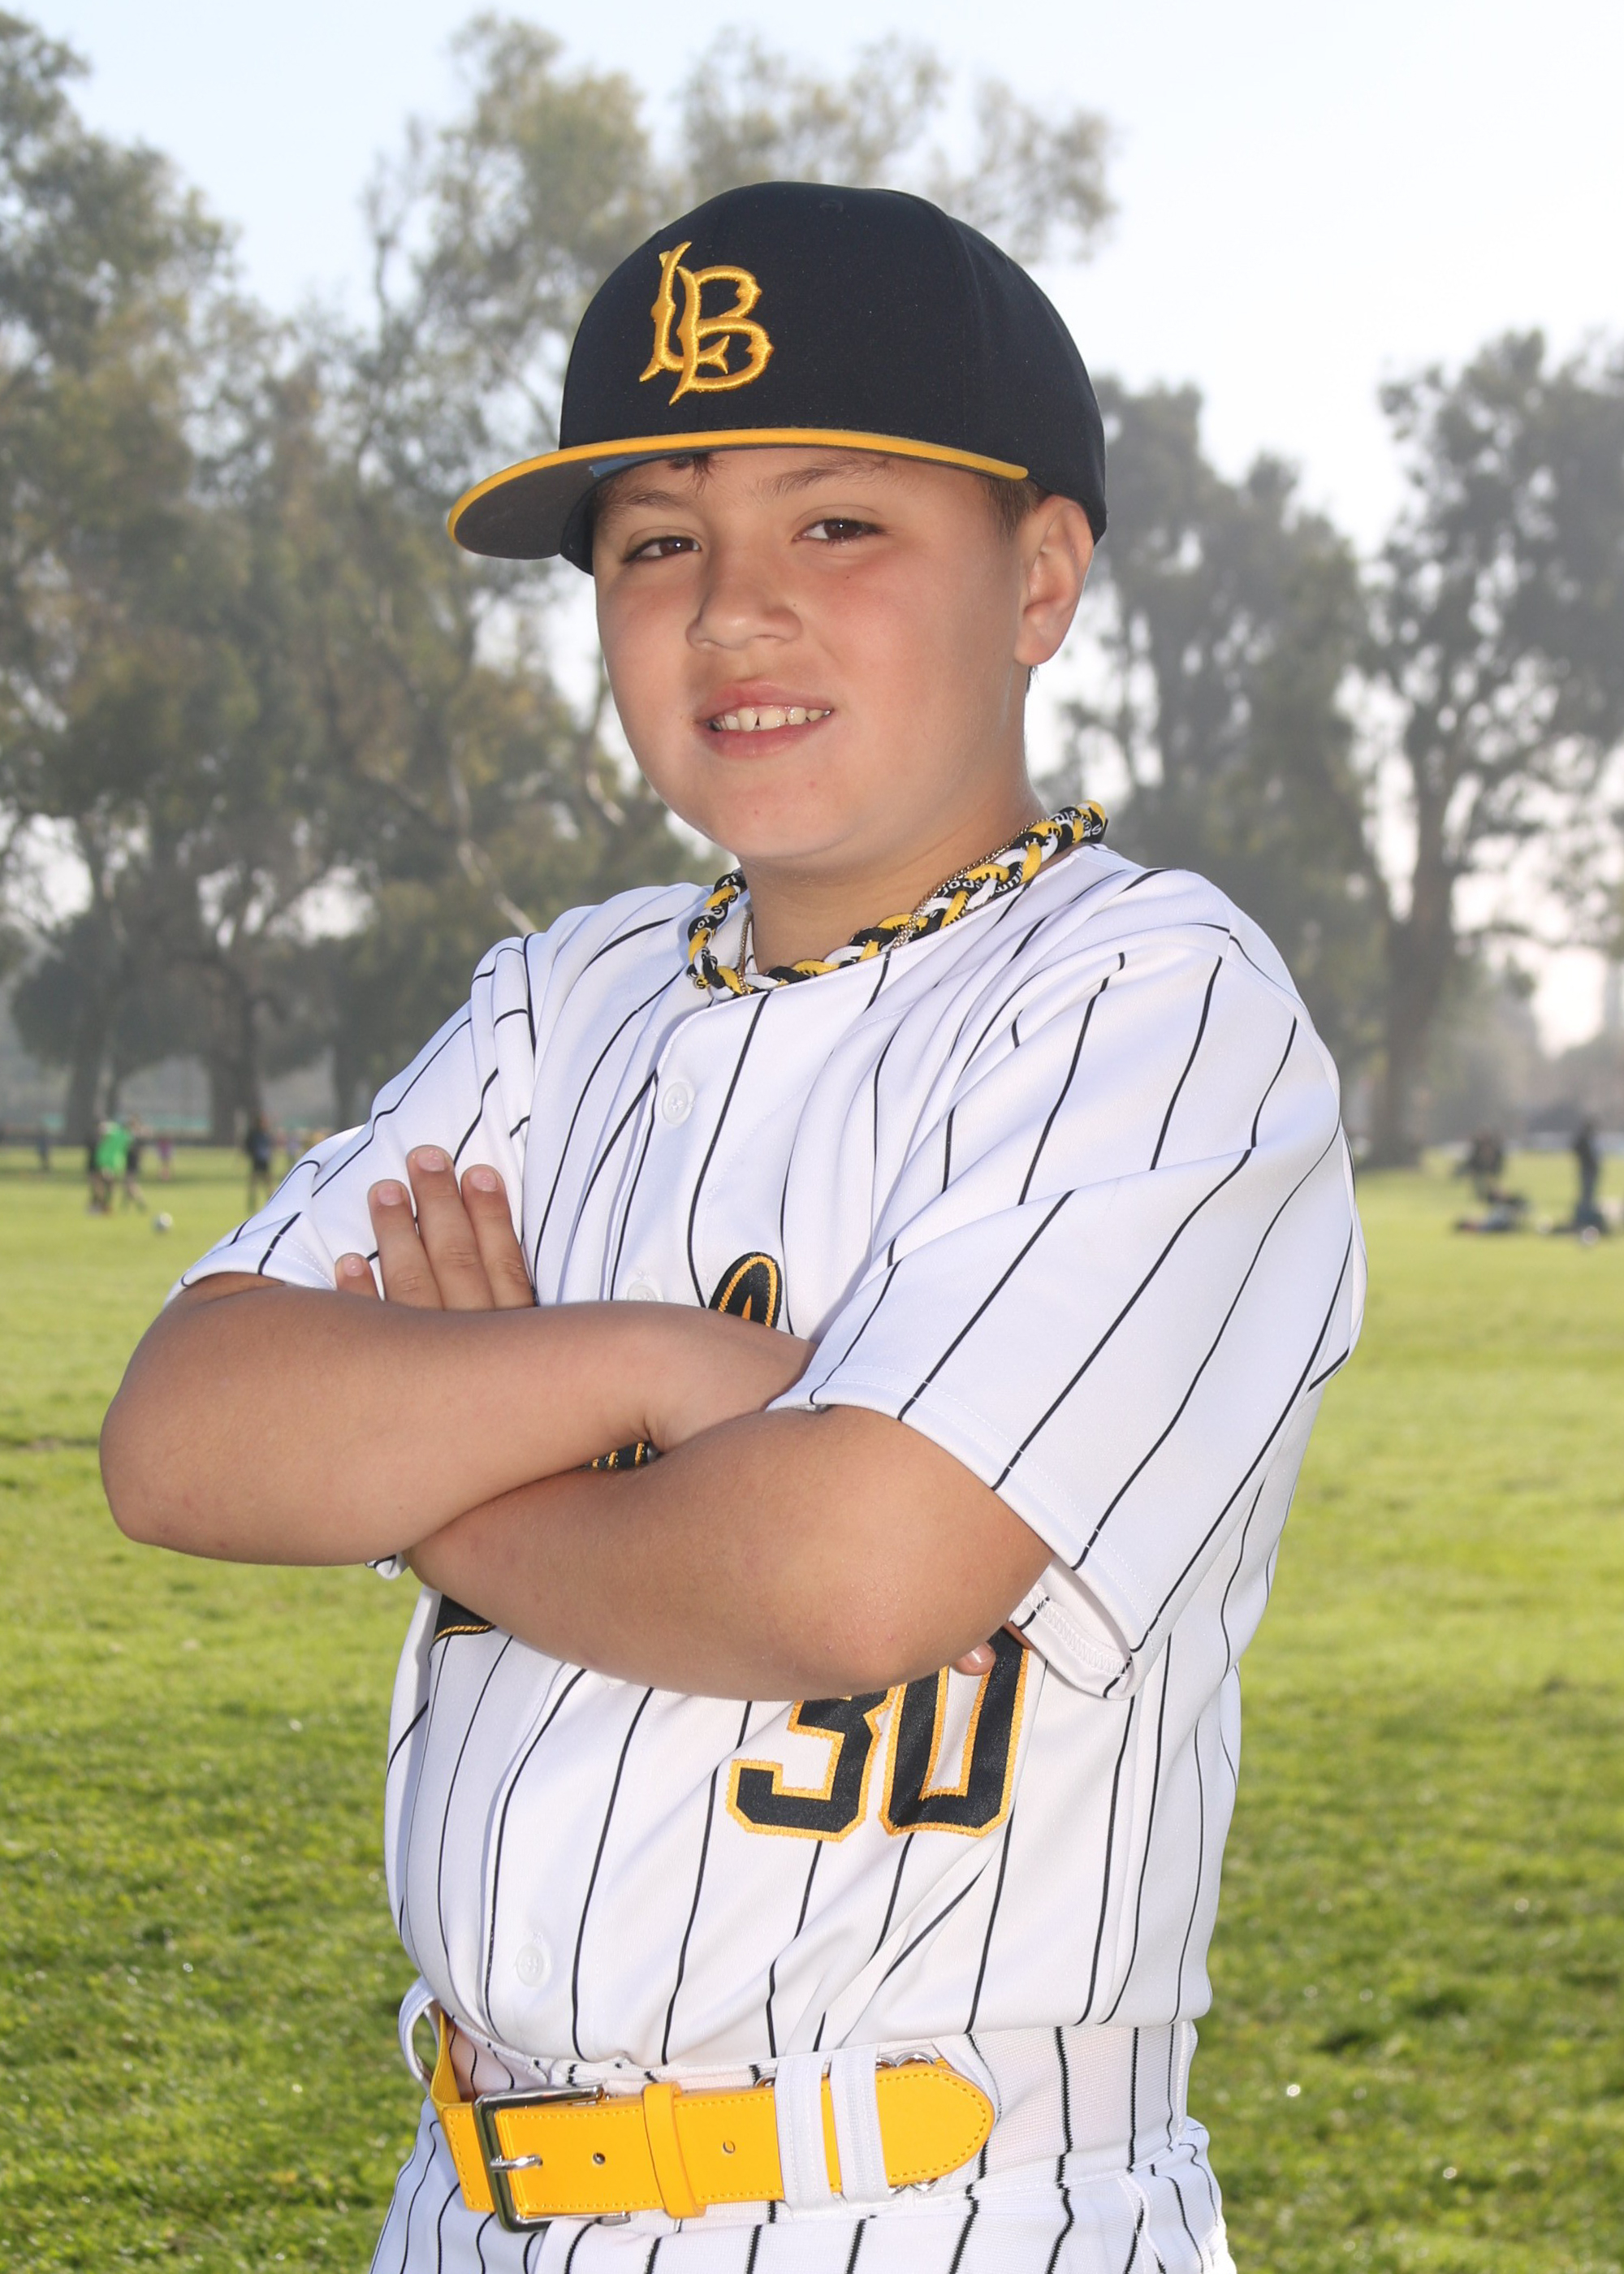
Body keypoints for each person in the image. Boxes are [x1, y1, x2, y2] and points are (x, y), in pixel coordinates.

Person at [102, 184, 1364, 2273]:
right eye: (655, 544)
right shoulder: (557, 999)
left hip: (936, 2199)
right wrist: (650, 1373)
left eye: (836, 523)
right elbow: (182, 1440)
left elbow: (854, 1569)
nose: (732, 612)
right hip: (471, 2195)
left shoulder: (1150, 999)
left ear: (1042, 577)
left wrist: (443, 1479)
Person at [244, 1111, 274, 1210]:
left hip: (265, 1162)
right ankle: (252, 1204)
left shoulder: (266, 1134)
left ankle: (271, 1202)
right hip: (256, 1161)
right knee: (254, 1184)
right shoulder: (254, 1134)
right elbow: (247, 1146)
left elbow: (270, 1146)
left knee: (268, 1184)